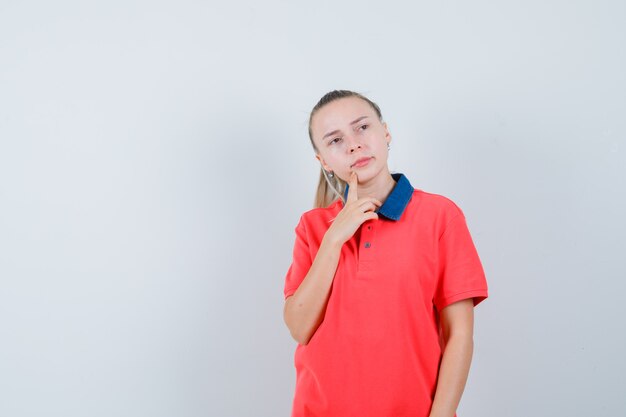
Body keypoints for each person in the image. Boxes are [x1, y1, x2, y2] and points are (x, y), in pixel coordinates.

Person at [282, 90, 489, 417]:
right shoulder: (314, 227)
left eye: (362, 127)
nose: (353, 144)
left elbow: (459, 334)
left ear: (385, 132)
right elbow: (299, 326)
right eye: (335, 140)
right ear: (324, 161)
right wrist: (335, 237)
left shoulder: (440, 216)